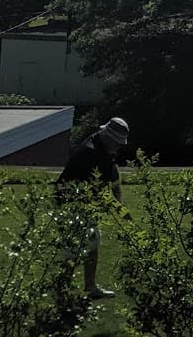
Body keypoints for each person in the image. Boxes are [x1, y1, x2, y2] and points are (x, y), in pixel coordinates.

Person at [56, 116, 129, 299]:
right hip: (70, 202)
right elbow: (99, 191)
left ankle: (90, 287)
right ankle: (61, 292)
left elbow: (114, 178)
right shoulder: (90, 152)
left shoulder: (105, 148)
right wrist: (120, 211)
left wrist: (120, 203)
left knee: (92, 242)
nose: (119, 147)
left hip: (85, 201)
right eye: (117, 143)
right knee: (71, 248)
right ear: (109, 137)